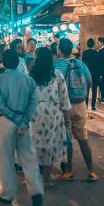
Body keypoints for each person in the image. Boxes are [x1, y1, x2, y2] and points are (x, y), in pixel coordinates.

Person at [0, 49, 44, 206]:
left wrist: (15, 119)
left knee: (6, 159)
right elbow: (34, 102)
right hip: (24, 122)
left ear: (3, 62)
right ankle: (36, 192)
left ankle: (8, 195)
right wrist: (23, 121)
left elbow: (0, 105)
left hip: (7, 122)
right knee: (28, 157)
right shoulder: (28, 81)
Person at [54, 38, 98, 181]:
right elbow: (90, 81)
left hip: (63, 107)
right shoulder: (80, 63)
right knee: (83, 139)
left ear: (59, 50)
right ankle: (91, 171)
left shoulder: (56, 65)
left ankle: (68, 171)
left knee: (67, 140)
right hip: (80, 105)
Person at [30, 46, 71, 187]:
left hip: (35, 113)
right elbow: (64, 99)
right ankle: (45, 179)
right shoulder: (57, 75)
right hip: (53, 114)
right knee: (50, 146)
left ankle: (33, 178)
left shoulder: (32, 75)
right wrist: (67, 120)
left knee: (34, 145)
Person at [82, 38, 104, 111]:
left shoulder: (84, 53)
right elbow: (99, 65)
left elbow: (83, 64)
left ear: (87, 44)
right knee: (94, 90)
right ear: (93, 44)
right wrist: (99, 74)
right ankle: (93, 106)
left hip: (87, 74)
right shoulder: (96, 53)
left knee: (86, 90)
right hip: (95, 75)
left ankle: (86, 106)